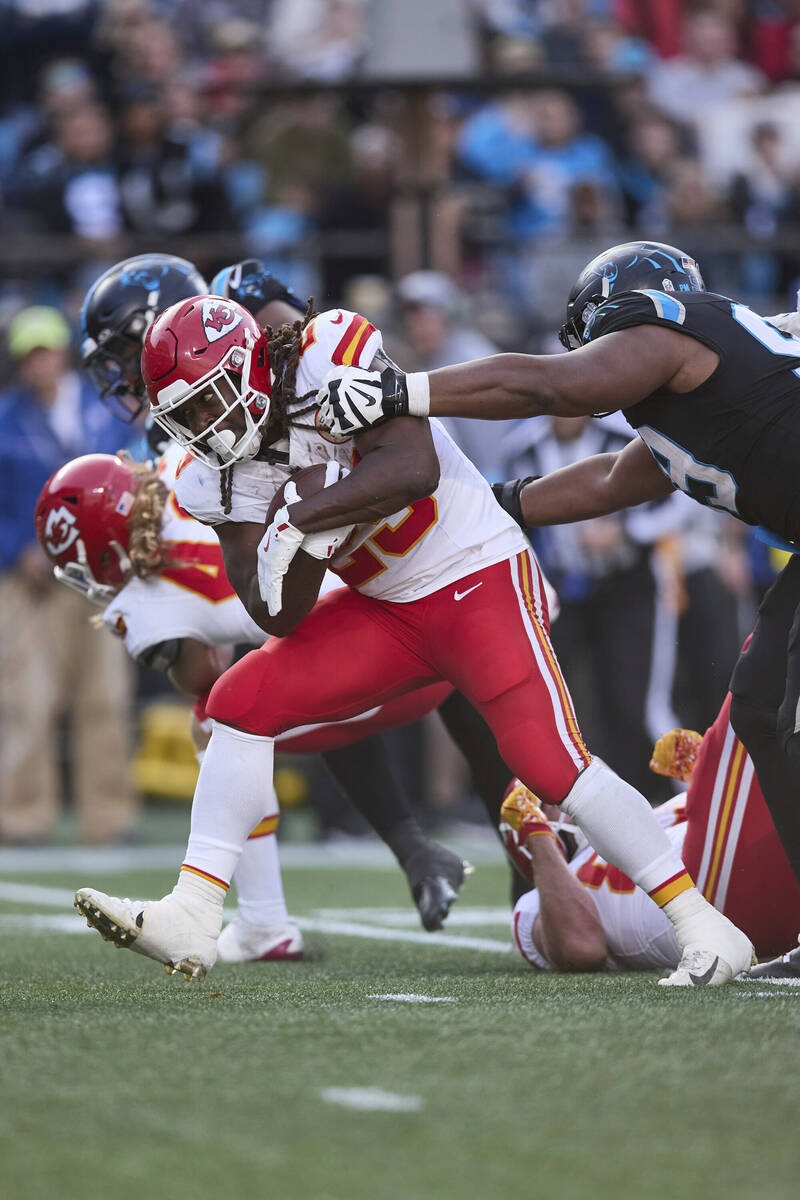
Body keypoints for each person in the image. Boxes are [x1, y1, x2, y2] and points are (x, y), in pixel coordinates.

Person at [73, 287, 753, 987]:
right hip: (387, 606)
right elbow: (278, 613)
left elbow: (410, 467)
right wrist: (294, 544)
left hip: (474, 573)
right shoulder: (214, 476)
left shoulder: (325, 350)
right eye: (185, 415)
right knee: (239, 701)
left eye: (208, 401)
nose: (204, 426)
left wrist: (302, 516)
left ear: (246, 365)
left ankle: (704, 925)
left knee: (550, 761)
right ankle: (194, 909)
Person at [315, 239, 800, 904]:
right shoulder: (693, 392)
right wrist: (486, 509)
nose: (588, 353)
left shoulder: (666, 321)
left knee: (789, 717)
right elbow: (606, 479)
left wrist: (404, 392)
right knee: (761, 708)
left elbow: (553, 385)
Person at [78, 252, 472, 933]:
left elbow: (340, 379)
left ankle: (267, 921)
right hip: (335, 564)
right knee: (263, 677)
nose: (121, 374)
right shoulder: (182, 426)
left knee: (246, 693)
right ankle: (405, 855)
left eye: (123, 350)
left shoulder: (259, 320)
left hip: (409, 505)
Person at [34, 446, 460, 958]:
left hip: (385, 663)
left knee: (213, 722)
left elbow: (202, 676)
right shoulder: (182, 469)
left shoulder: (139, 605)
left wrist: (188, 634)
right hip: (420, 605)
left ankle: (263, 922)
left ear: (110, 550)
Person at [505, 664, 800, 973]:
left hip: (764, 882)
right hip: (720, 897)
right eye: (547, 799)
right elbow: (580, 948)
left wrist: (700, 771)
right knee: (766, 672)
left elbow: (721, 822)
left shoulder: (638, 821)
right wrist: (537, 836)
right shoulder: (539, 899)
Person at [0, 305, 136, 845]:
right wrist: (17, 549)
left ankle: (111, 815)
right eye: (31, 353)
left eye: (48, 350)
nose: (41, 363)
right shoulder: (7, 419)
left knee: (106, 696)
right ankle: (23, 815)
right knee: (25, 700)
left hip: (99, 573)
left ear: (63, 353)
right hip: (28, 579)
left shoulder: (102, 411)